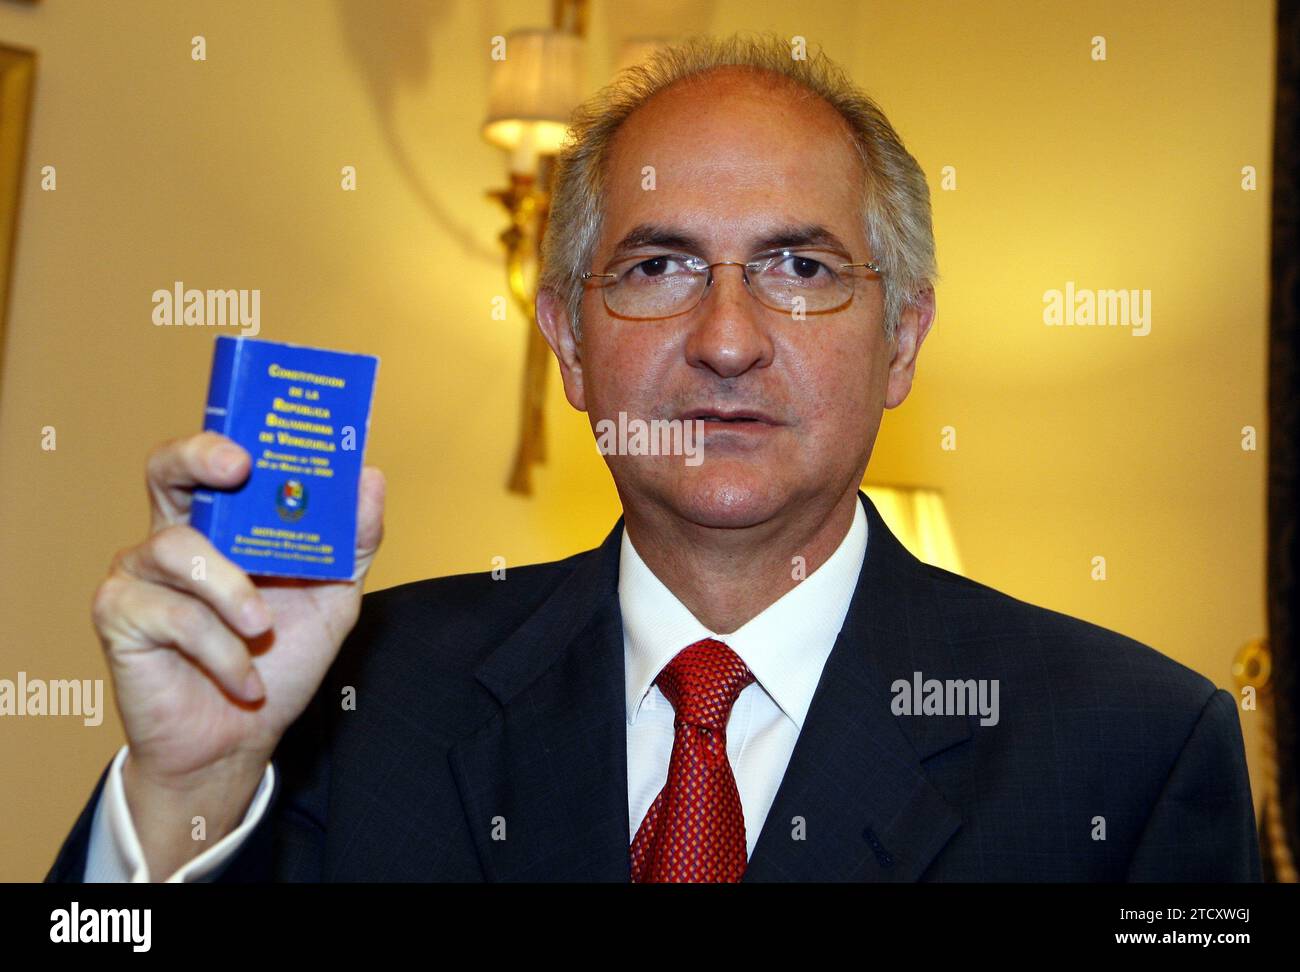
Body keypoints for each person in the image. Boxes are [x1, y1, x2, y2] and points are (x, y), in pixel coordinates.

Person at [48, 33, 1259, 883]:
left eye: (801, 266)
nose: (726, 340)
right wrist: (180, 793)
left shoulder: (1129, 750)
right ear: (569, 341)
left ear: (901, 343)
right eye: (656, 266)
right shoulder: (346, 706)